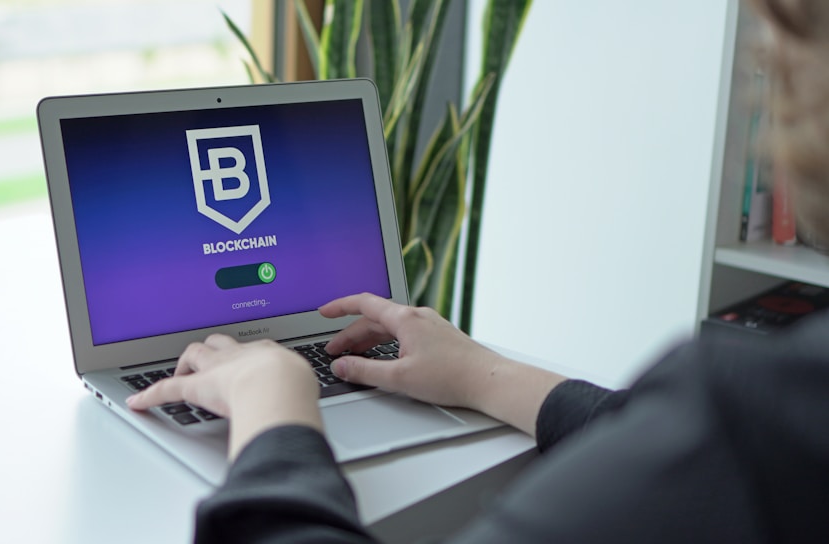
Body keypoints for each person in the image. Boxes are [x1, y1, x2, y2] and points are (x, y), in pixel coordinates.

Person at [126, 0, 829, 541]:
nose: (767, 58)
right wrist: (478, 374)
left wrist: (272, 402)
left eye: (787, 30)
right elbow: (653, 429)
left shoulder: (751, 419)